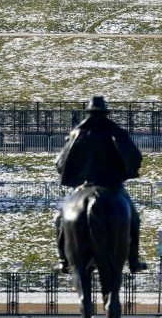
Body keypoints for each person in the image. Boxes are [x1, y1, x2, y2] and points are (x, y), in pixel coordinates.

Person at [53, 96, 145, 275]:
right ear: (104, 114)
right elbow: (135, 157)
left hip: (84, 186)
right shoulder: (115, 132)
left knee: (60, 218)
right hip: (112, 186)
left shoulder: (78, 133)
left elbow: (60, 164)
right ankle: (133, 260)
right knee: (133, 218)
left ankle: (64, 260)